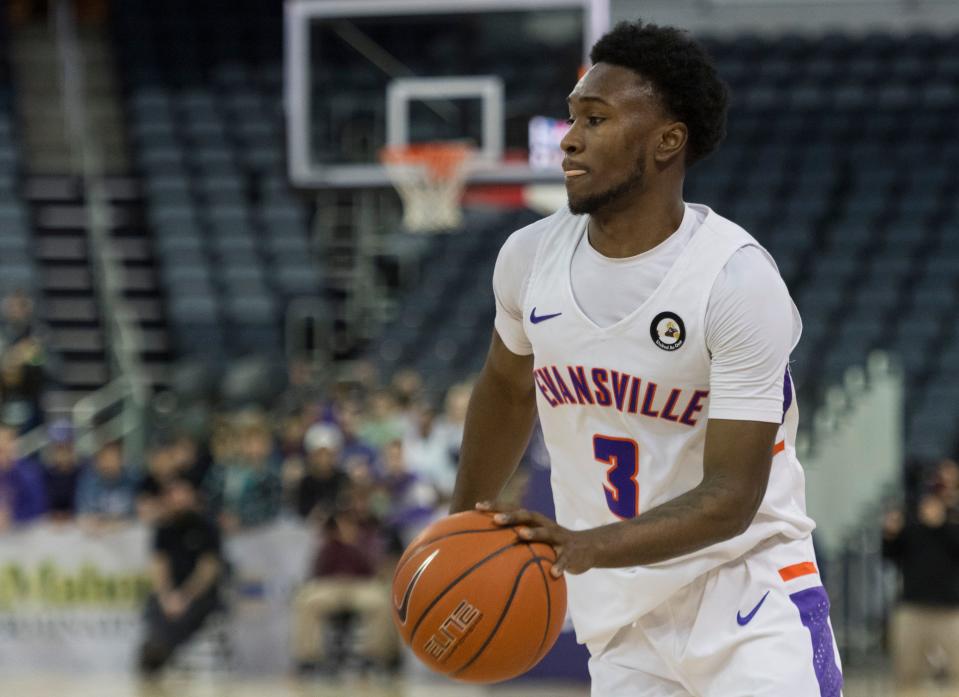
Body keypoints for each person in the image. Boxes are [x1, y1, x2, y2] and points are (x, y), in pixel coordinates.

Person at [448, 20, 842, 696]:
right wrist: (462, 530)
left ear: (667, 141)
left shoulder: (734, 280)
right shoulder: (527, 259)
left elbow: (730, 497)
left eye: (594, 119)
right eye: (572, 117)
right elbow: (508, 389)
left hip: (746, 595)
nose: (569, 139)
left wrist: (582, 544)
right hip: (622, 617)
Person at [882, 460, 959, 688]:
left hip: (951, 609)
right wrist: (890, 533)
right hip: (912, 606)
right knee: (907, 677)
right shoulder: (913, 514)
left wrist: (942, 524)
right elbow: (891, 555)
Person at [139, 475, 224, 676]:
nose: (178, 498)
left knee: (181, 618)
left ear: (192, 495)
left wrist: (185, 596)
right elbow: (159, 565)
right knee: (154, 608)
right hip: (170, 593)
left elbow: (208, 569)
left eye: (182, 493)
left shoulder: (207, 527)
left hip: (200, 594)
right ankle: (157, 651)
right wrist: (166, 596)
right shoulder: (164, 529)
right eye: (173, 494)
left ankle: (159, 652)